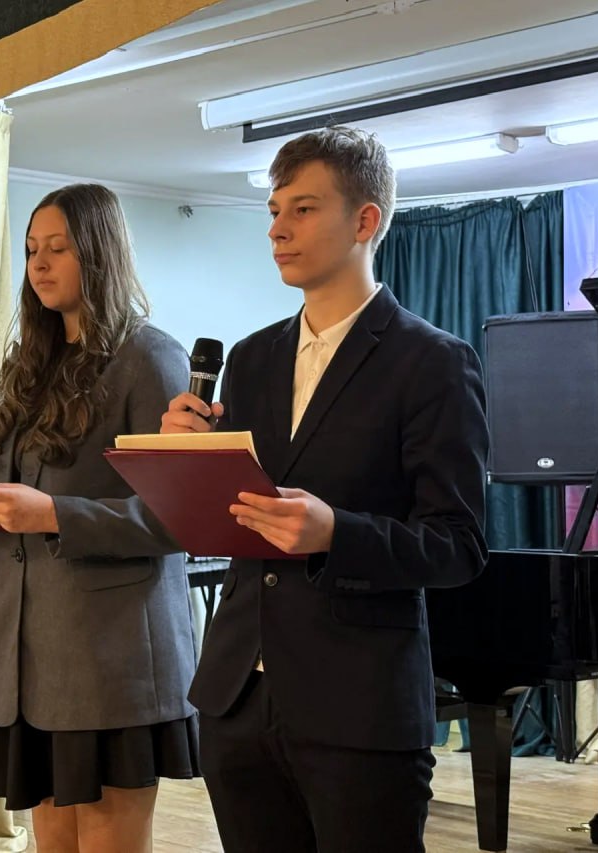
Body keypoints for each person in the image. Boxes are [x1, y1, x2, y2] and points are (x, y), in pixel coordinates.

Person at [160, 127, 488, 852]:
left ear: (365, 220)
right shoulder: (252, 358)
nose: (277, 229)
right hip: (238, 698)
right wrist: (185, 462)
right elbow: (230, 519)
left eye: (303, 209)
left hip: (358, 706)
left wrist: (337, 532)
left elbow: (459, 545)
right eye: (274, 211)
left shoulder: (432, 361)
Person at [0, 183, 200, 853]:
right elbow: (17, 500)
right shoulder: (34, 362)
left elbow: (177, 518)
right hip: (30, 654)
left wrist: (53, 514)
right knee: (53, 841)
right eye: (30, 250)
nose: (39, 264)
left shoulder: (150, 358)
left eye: (58, 249)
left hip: (111, 654)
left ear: (98, 253)